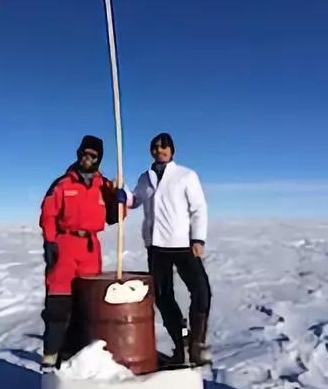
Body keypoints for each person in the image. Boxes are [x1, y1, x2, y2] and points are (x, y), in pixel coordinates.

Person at [123, 132, 212, 365]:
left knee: (202, 292)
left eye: (164, 148)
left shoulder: (186, 175)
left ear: (172, 151)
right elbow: (135, 200)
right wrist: (123, 194)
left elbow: (199, 208)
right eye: (155, 148)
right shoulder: (146, 177)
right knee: (163, 298)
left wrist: (198, 239)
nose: (159, 151)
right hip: (156, 246)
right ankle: (180, 340)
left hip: (183, 245)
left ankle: (197, 343)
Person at [39, 135, 121, 368]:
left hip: (90, 248)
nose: (88, 158)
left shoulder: (103, 185)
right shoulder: (63, 184)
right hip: (65, 245)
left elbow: (115, 217)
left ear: (99, 158)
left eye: (93, 155)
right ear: (78, 154)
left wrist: (118, 198)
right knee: (58, 305)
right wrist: (50, 242)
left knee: (87, 306)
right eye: (84, 153)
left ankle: (78, 359)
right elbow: (48, 214)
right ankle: (51, 356)